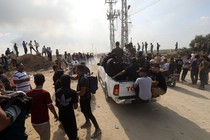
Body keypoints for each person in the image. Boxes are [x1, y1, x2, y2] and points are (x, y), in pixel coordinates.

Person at [27, 74, 58, 140]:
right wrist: (55, 114)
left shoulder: (29, 93)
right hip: (43, 121)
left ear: (34, 82)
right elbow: (50, 106)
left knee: (42, 136)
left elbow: (28, 108)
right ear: (44, 81)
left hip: (34, 121)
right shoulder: (45, 93)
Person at [76, 65, 101, 139]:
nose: (75, 70)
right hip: (82, 98)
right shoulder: (79, 76)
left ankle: (98, 129)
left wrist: (73, 93)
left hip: (85, 98)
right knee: (83, 110)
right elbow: (74, 78)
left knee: (89, 113)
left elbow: (83, 92)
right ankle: (87, 122)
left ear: (80, 70)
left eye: (76, 69)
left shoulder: (84, 79)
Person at [55, 74, 78, 140]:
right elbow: (75, 107)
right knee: (73, 130)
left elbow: (57, 104)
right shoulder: (73, 92)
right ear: (69, 82)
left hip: (62, 114)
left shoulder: (57, 91)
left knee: (67, 129)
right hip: (70, 114)